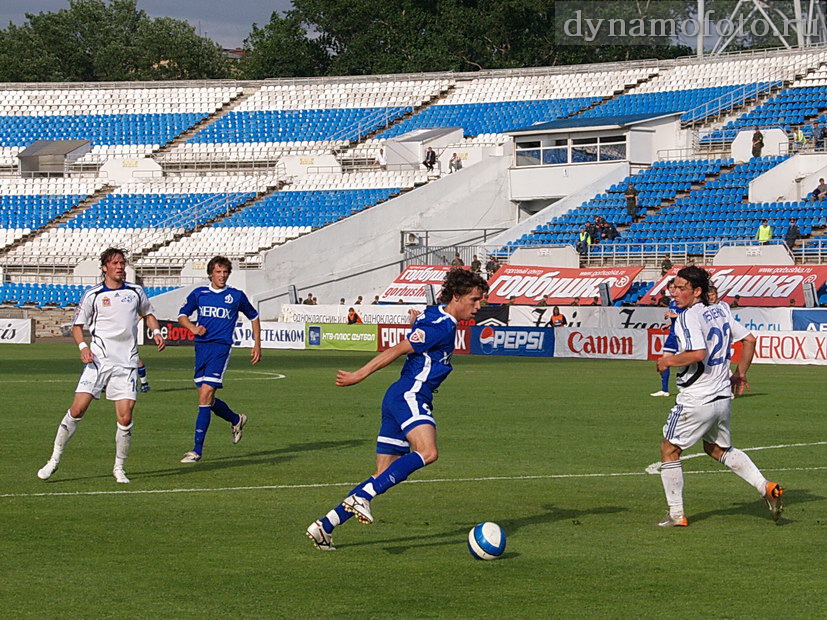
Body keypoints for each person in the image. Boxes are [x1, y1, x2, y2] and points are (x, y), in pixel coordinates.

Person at [305, 269, 489, 550]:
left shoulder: (434, 314)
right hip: (411, 394)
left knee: (382, 475)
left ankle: (325, 525)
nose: (478, 306)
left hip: (396, 397)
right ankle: (361, 498)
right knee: (428, 452)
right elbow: (397, 349)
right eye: (474, 300)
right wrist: (359, 374)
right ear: (456, 297)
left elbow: (419, 330)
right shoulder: (441, 325)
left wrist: (415, 322)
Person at [654, 266, 783, 527]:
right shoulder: (722, 309)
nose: (675, 293)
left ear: (697, 291)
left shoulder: (688, 317)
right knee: (716, 449)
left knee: (669, 450)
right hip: (722, 396)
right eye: (673, 287)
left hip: (697, 398)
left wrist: (668, 361)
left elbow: (697, 353)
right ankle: (765, 486)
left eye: (681, 288)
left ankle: (676, 514)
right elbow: (749, 339)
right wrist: (741, 374)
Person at [37, 248, 166, 484]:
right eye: (115, 263)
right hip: (98, 361)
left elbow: (148, 314)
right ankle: (54, 459)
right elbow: (78, 327)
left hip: (126, 363)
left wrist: (156, 331)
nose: (120, 266)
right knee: (77, 410)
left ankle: (119, 468)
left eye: (122, 263)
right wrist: (83, 348)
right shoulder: (93, 295)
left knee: (125, 418)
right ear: (105, 268)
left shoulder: (136, 292)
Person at [177, 256, 262, 463]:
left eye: (225, 272)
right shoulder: (199, 294)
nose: (222, 276)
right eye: (218, 272)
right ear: (210, 274)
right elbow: (182, 315)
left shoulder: (235, 296)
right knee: (207, 399)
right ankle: (236, 419)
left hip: (221, 348)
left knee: (205, 395)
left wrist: (256, 343)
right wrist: (193, 328)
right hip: (201, 349)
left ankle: (196, 450)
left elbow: (253, 316)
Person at [651, 278, 681, 398]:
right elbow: (677, 318)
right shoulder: (672, 302)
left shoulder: (684, 301)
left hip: (682, 336)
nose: (672, 290)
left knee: (688, 363)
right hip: (672, 335)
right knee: (664, 362)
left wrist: (674, 315)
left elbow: (690, 316)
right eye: (670, 288)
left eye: (675, 287)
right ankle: (664, 390)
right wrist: (669, 323)